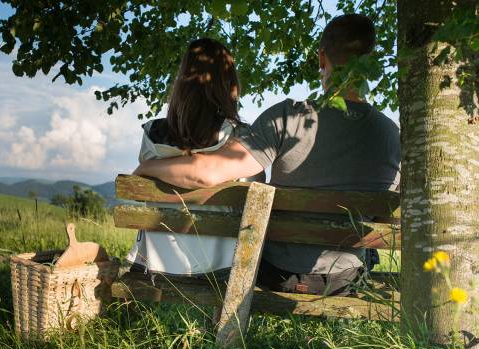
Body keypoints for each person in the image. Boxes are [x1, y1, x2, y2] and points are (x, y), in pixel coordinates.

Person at [133, 14, 401, 295]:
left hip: (276, 274)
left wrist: (145, 168)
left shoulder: (286, 118)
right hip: (343, 278)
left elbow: (208, 174)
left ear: (322, 59)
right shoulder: (390, 134)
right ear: (372, 65)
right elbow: (389, 221)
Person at [127, 37, 262, 277]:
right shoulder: (240, 138)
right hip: (222, 268)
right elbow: (257, 197)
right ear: (229, 84)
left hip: (157, 264)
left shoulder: (151, 137)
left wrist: (148, 166)